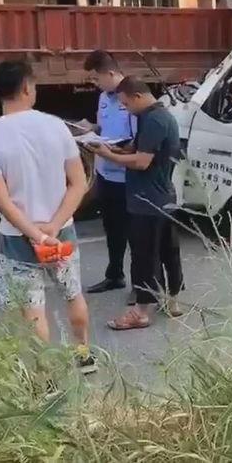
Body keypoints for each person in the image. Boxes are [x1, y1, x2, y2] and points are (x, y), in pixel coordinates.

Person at [0, 60, 95, 372]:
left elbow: (1, 200)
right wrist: (54, 227)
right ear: (26, 88)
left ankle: (45, 376)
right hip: (61, 234)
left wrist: (36, 235)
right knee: (72, 294)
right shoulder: (56, 126)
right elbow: (79, 183)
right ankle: (84, 355)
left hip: (17, 239)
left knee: (33, 311)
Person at [88, 76, 184, 331]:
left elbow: (142, 161)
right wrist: (115, 149)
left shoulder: (154, 120)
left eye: (126, 104)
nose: (126, 109)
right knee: (168, 250)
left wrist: (108, 156)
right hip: (163, 197)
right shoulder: (156, 116)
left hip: (147, 200)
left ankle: (141, 311)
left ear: (138, 96)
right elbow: (139, 148)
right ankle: (172, 299)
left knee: (145, 256)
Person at [82, 50, 136, 301]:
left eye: (96, 79)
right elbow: (104, 127)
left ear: (111, 73)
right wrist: (90, 129)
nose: (95, 84)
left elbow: (138, 142)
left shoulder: (133, 96)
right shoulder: (104, 97)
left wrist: (114, 150)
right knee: (112, 230)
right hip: (106, 175)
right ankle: (114, 275)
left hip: (128, 178)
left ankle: (141, 285)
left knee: (135, 235)